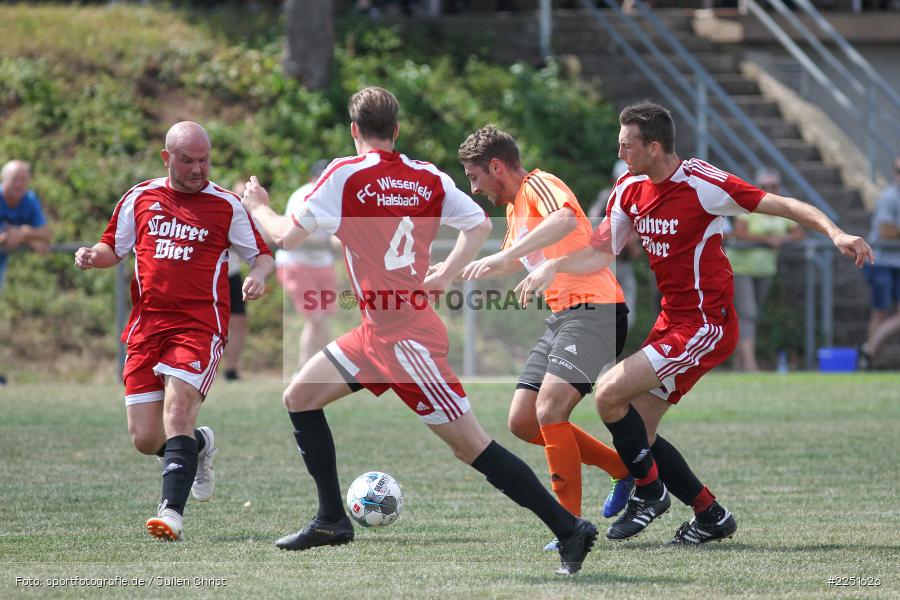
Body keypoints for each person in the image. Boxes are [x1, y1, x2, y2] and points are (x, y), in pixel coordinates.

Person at [241, 86, 597, 575]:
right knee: (299, 397)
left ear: (353, 131)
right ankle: (330, 519)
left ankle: (569, 529)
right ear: (397, 130)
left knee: (470, 446)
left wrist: (256, 203)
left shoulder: (343, 175)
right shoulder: (426, 176)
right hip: (375, 331)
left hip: (407, 340)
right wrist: (447, 273)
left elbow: (283, 236)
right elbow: (476, 224)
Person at [516, 102, 873, 545]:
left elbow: (782, 205)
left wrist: (836, 232)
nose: (620, 153)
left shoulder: (703, 183)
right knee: (636, 427)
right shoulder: (628, 188)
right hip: (673, 320)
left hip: (707, 323)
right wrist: (555, 266)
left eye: (627, 145)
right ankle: (710, 515)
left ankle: (649, 494)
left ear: (654, 146)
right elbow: (600, 250)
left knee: (608, 393)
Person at [74, 122, 274, 542]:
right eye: (188, 160)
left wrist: (258, 276)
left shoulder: (226, 205)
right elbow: (114, 247)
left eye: (204, 159)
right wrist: (95, 256)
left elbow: (262, 255)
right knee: (146, 439)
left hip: (200, 325)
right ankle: (197, 446)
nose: (198, 168)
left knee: (177, 411)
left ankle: (171, 513)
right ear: (167, 158)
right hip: (147, 327)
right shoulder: (139, 198)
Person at [455, 126, 633, 552]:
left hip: (597, 310)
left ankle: (568, 523)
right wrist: (450, 271)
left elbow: (565, 220)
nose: (475, 188)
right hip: (563, 319)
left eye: (475, 177)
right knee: (522, 421)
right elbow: (505, 262)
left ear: (497, 166)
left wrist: (508, 255)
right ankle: (622, 469)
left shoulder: (540, 183)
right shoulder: (517, 210)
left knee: (549, 407)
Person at [728, 168, 804, 371]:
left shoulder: (780, 209)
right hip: (740, 268)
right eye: (764, 187)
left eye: (774, 186)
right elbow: (738, 233)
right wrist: (766, 240)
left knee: (749, 316)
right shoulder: (748, 206)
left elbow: (798, 233)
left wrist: (782, 238)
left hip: (765, 270)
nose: (770, 189)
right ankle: (750, 365)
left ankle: (739, 363)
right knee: (748, 313)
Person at [276, 159, 339, 371]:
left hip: (323, 265)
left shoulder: (335, 198)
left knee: (323, 318)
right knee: (316, 317)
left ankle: (322, 367)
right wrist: (326, 242)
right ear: (312, 179)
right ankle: (304, 368)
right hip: (297, 265)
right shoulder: (302, 198)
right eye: (320, 178)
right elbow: (291, 237)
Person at [859, 155, 900, 369]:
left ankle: (869, 351)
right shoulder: (890, 197)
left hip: (896, 263)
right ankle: (870, 358)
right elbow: (886, 231)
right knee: (881, 311)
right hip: (881, 262)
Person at [591, 159, 642, 330]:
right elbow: (594, 229)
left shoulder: (638, 202)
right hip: (606, 266)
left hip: (624, 266)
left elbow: (637, 244)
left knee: (628, 318)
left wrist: (633, 242)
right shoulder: (607, 198)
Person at [0, 160, 52, 293]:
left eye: (23, 180)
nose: (19, 184)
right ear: (3, 180)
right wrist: (29, 239)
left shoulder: (29, 199)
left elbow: (46, 234)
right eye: (14, 179)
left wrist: (23, 234)